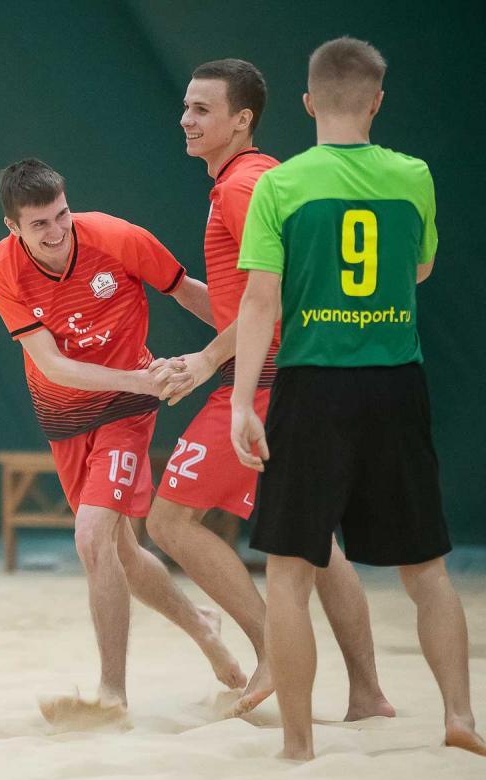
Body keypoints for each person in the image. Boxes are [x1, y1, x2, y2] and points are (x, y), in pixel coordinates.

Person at [228, 37, 486, 760]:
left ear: (308, 102)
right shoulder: (414, 175)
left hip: (312, 385)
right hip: (395, 384)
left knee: (289, 574)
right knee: (427, 570)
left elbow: (259, 300)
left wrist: (243, 402)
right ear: (376, 102)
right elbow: (421, 266)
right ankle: (460, 714)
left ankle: (298, 744)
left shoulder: (281, 184)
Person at [147, 58, 392, 721]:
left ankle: (271, 648)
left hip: (265, 382)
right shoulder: (260, 178)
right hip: (300, 376)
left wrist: (205, 361)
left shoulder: (243, 186)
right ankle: (368, 694)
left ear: (242, 120)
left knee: (168, 520)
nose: (186, 119)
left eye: (202, 109)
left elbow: (275, 300)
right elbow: (246, 300)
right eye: (186, 106)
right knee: (317, 545)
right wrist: (176, 288)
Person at [0, 158, 246, 725]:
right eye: (39, 225)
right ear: (12, 227)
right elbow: (53, 365)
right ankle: (204, 628)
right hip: (66, 412)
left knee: (91, 536)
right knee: (119, 550)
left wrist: (251, 338)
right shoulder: (1, 267)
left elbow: (189, 293)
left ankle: (111, 695)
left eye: (61, 215)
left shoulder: (115, 237)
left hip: (128, 409)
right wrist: (140, 380)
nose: (56, 231)